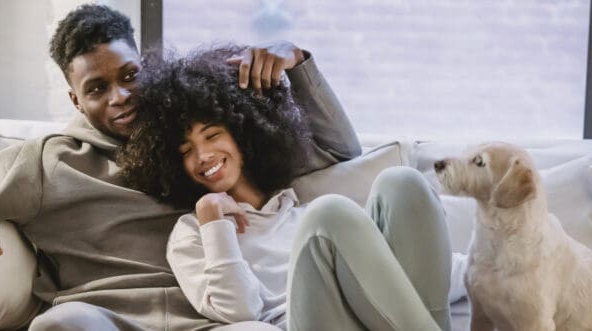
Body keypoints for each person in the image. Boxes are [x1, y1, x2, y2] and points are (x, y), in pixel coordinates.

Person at [0, 4, 360, 331]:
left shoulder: (196, 147)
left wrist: (296, 64)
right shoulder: (47, 161)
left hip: (208, 317)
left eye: (129, 76)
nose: (120, 97)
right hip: (101, 316)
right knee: (60, 326)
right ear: (76, 100)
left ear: (146, 67)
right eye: (97, 88)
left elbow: (339, 151)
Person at [118, 45, 454, 331]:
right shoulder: (192, 232)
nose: (203, 155)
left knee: (402, 182)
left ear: (242, 132)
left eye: (212, 135)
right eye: (185, 151)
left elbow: (344, 148)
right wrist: (213, 220)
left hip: (377, 315)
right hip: (306, 323)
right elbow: (240, 312)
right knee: (329, 215)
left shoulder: (298, 207)